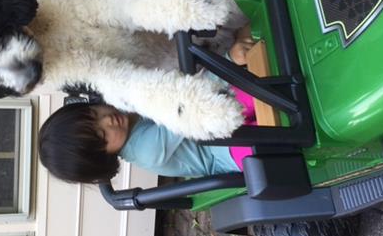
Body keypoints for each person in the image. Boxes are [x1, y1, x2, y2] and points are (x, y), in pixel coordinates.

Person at [38, 28, 256, 184]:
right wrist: (228, 59)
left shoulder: (123, 103)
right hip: (222, 151)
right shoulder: (145, 151)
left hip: (214, 112)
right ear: (105, 158)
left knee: (249, 82)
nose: (107, 120)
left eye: (95, 114)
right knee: (251, 112)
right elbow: (187, 107)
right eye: (103, 135)